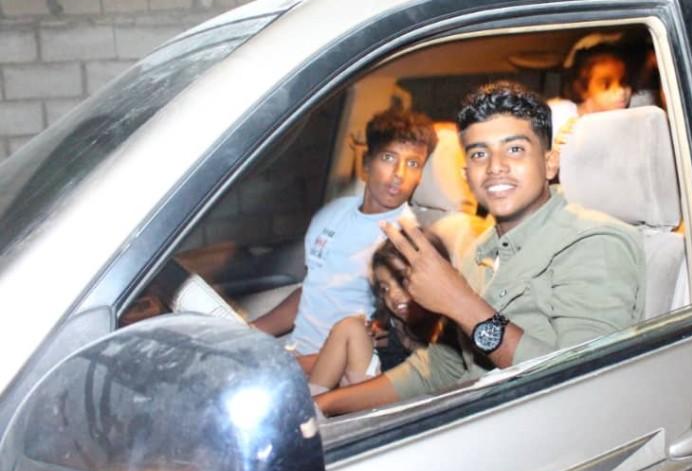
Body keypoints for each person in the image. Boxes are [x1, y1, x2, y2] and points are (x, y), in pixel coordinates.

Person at [315, 81, 645, 416]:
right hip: (469, 416)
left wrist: (460, 302)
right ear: (467, 175)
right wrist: (323, 406)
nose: (495, 166)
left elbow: (583, 383)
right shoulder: (480, 252)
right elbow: (438, 369)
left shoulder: (595, 242)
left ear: (549, 163)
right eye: (479, 154)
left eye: (514, 149)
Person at [251, 108, 437, 356]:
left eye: (413, 164)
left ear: (420, 176)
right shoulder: (333, 213)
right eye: (388, 157)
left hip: (342, 362)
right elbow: (313, 289)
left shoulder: (406, 240)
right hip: (297, 349)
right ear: (366, 162)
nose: (399, 175)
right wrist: (248, 333)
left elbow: (387, 335)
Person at [307, 233, 452, 393]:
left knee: (350, 329)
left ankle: (315, 401)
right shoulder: (392, 324)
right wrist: (373, 338)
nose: (393, 295)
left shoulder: (448, 326)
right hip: (380, 380)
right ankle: (311, 399)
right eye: (385, 288)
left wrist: (407, 343)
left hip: (410, 396)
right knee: (350, 327)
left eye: (402, 281)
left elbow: (435, 373)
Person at [548, 39, 632, 142]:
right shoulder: (558, 115)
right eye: (606, 85)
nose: (621, 91)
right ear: (582, 89)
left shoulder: (628, 122)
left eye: (624, 82)